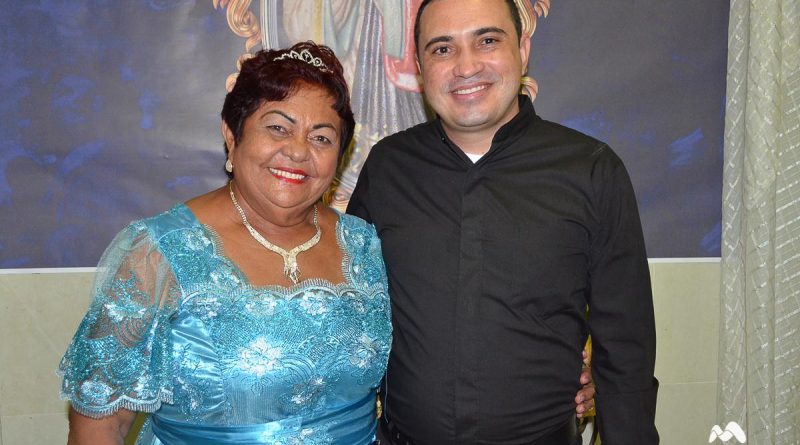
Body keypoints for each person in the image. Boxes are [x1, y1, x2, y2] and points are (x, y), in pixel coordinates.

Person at [347, 0, 659, 443]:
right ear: (419, 68)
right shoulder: (387, 168)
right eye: (442, 49)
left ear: (523, 49)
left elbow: (626, 347)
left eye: (487, 41)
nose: (466, 66)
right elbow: (351, 310)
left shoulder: (591, 170)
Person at [59, 41, 393, 445]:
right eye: (278, 128)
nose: (297, 151)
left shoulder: (362, 244)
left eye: (321, 137)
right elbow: (100, 421)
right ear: (232, 135)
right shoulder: (160, 251)